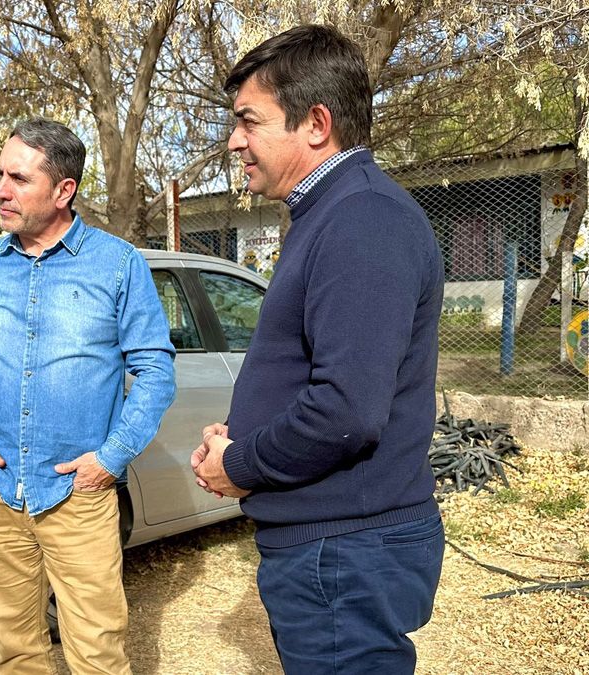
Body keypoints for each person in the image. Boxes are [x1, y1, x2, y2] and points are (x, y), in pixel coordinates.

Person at [191, 25, 445, 674]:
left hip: (346, 551)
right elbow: (321, 372)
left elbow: (347, 409)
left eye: (249, 120)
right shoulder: (332, 213)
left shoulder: (362, 217)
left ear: (315, 122)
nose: (234, 140)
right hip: (339, 547)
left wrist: (242, 460)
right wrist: (242, 431)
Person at [0, 119, 176, 674]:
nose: (0, 190)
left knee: (97, 652)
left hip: (78, 494)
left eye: (18, 178)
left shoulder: (118, 264)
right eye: (0, 174)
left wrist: (110, 458)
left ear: (63, 190)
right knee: (17, 652)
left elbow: (155, 372)